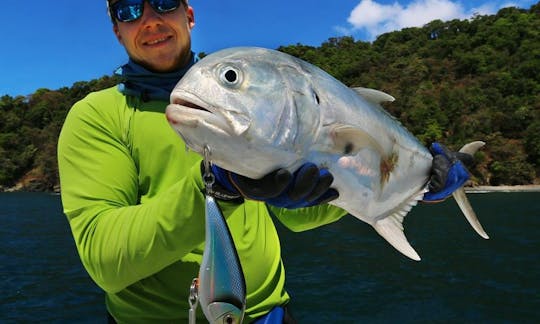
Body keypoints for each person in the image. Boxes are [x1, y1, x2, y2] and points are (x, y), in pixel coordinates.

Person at [57, 0, 470, 322]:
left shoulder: (257, 102)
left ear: (189, 14)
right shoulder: (97, 117)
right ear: (116, 29)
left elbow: (298, 215)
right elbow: (105, 261)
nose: (149, 20)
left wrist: (409, 182)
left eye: (164, 2)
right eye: (129, 10)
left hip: (272, 316)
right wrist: (217, 184)